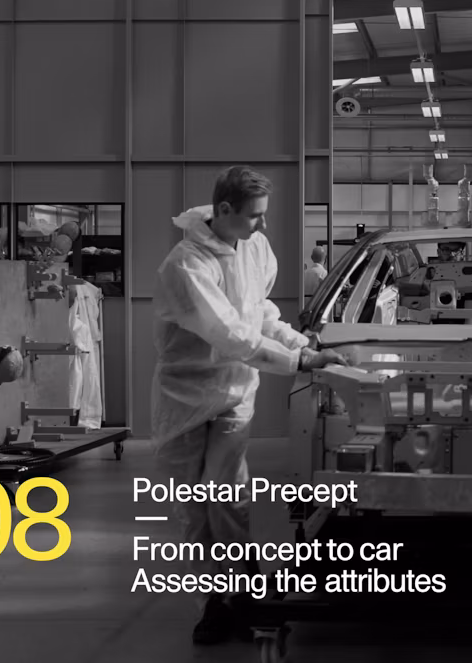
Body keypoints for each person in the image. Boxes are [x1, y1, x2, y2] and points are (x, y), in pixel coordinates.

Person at [150, 165, 350, 646]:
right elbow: (232, 335)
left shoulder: (255, 247)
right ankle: (212, 606)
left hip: (235, 391)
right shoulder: (186, 264)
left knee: (227, 496)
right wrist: (300, 359)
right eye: (255, 215)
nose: (263, 224)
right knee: (194, 510)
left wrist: (301, 342)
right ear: (224, 210)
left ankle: (241, 593)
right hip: (184, 396)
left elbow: (260, 314)